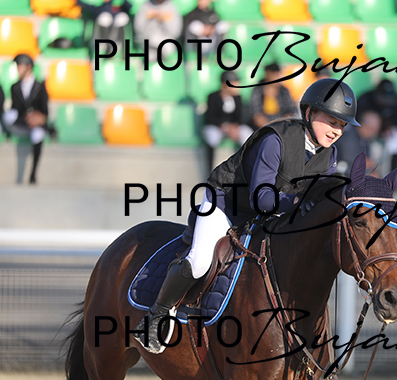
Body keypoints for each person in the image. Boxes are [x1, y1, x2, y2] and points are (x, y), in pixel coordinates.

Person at [132, 78, 359, 354]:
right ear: (309, 112)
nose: (336, 131)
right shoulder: (276, 139)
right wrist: (299, 202)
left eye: (342, 125)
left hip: (267, 216)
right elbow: (261, 198)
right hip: (225, 203)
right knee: (200, 262)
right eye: (332, 121)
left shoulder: (328, 155)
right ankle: (157, 314)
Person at [2, 54, 49, 185]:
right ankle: (7, 133)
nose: (18, 69)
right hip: (22, 122)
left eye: (21, 66)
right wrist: (26, 117)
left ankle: (33, 174)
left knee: (37, 135)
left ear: (29, 67)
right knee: (8, 116)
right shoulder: (15, 87)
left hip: (36, 124)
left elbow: (45, 110)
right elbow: (15, 109)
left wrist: (39, 117)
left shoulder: (40, 87)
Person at [204, 71, 253, 169]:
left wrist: (234, 127)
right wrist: (223, 126)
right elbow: (211, 117)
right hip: (217, 127)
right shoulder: (213, 97)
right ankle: (210, 168)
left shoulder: (238, 97)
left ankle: (248, 166)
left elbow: (240, 117)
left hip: (233, 127)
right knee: (212, 137)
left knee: (248, 134)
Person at [357, 79, 397, 175]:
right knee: (374, 149)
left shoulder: (396, 101)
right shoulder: (365, 99)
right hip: (366, 135)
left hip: (385, 132)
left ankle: (392, 172)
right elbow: (357, 124)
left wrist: (388, 126)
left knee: (395, 141)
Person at [335, 110, 385, 177]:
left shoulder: (365, 140)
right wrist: (370, 164)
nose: (375, 133)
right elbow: (349, 158)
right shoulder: (349, 135)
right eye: (373, 129)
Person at [249, 62, 296, 130]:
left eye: (277, 74)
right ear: (267, 73)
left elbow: (290, 111)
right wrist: (269, 127)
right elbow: (256, 114)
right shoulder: (258, 90)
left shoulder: (284, 91)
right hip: (261, 127)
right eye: (274, 74)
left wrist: (281, 125)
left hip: (281, 125)